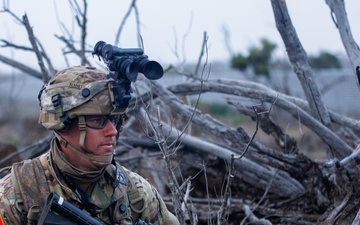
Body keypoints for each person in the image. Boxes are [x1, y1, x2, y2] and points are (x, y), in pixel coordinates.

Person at [0, 66, 179, 225]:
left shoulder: (137, 195)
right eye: (97, 120)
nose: (112, 131)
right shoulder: (16, 195)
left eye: (113, 119)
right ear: (63, 126)